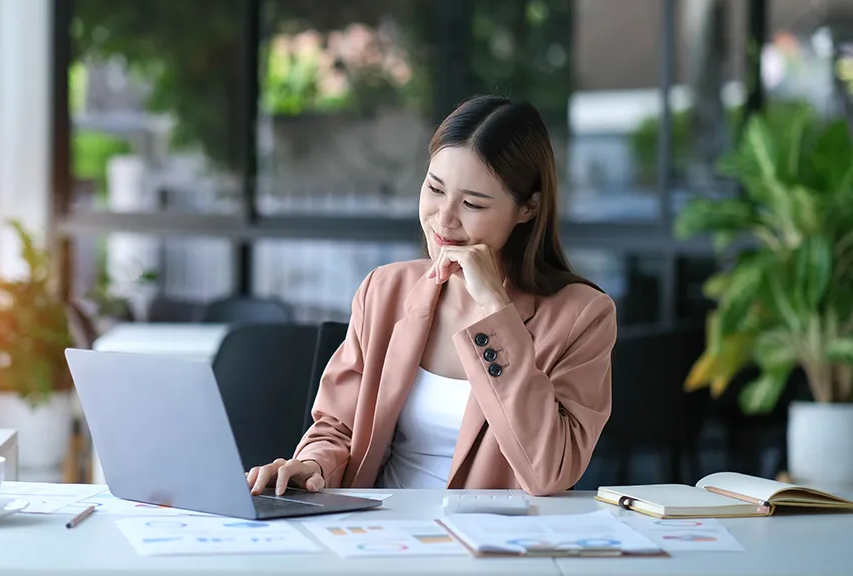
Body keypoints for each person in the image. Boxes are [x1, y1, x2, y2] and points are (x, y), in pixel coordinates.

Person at [247, 95, 616, 497]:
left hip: (494, 545)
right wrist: (312, 464)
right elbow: (338, 427)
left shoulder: (582, 316)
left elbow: (550, 471)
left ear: (528, 208)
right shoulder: (384, 290)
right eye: (435, 189)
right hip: (380, 536)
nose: (444, 218)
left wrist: (496, 311)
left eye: (472, 203)